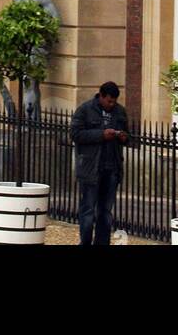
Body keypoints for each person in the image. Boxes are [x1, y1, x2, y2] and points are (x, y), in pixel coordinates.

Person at [70, 81, 130, 246]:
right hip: (91, 168)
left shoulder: (120, 112)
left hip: (112, 169)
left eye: (114, 101)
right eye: (109, 101)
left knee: (105, 211)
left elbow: (128, 137)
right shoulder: (85, 110)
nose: (112, 104)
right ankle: (86, 242)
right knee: (88, 210)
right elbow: (75, 134)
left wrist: (124, 138)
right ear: (101, 96)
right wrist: (101, 135)